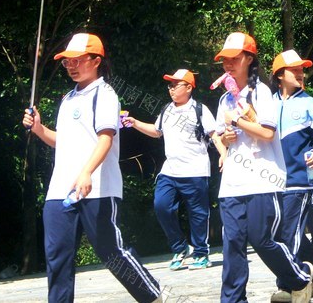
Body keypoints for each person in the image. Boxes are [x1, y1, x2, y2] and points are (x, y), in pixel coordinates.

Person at [22, 33, 162, 303]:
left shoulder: (105, 94)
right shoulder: (68, 98)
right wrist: (39, 129)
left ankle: (153, 297)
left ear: (96, 61)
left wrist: (86, 172)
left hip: (96, 187)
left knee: (111, 252)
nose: (71, 66)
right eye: (66, 62)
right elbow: (61, 142)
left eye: (78, 60)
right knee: (58, 257)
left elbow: (105, 138)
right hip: (60, 190)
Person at [213, 31, 313, 303]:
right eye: (224, 60)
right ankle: (232, 300)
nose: (228, 64)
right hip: (232, 181)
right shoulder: (224, 100)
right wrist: (226, 137)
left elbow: (268, 134)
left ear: (248, 59)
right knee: (232, 244)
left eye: (234, 59)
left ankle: (299, 278)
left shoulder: (262, 93)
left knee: (262, 240)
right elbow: (221, 136)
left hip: (262, 179)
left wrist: (239, 123)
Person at [122, 69, 216, 271]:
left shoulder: (200, 109)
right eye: (170, 85)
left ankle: (201, 253)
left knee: (198, 213)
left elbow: (214, 134)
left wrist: (225, 154)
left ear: (189, 87)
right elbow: (157, 132)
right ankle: (181, 248)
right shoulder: (166, 110)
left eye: (176, 85)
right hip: (170, 170)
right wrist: (135, 122)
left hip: (195, 170)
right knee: (161, 205)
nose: (171, 89)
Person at [271, 50, 313, 301]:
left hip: (300, 180)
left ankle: (289, 286)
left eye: (301, 68)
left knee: (288, 233)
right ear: (279, 75)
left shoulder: (309, 103)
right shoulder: (267, 103)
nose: (300, 73)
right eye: (294, 69)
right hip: (270, 179)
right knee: (276, 234)